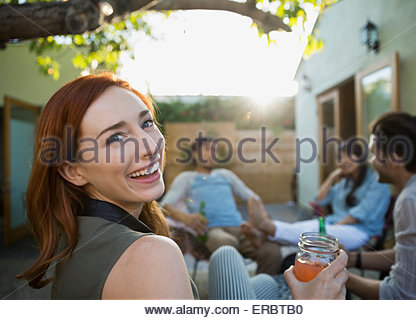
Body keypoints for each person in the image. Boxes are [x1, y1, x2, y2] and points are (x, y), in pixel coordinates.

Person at [17, 73, 347, 300]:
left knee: (250, 274)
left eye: (146, 123)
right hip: (214, 234)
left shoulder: (76, 234)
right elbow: (171, 207)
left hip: (235, 233)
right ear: (73, 170)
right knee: (234, 260)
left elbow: (251, 198)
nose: (149, 146)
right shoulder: (152, 255)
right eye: (116, 137)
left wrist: (259, 221)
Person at [345, 112, 416, 300]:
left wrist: (336, 275)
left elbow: (404, 298)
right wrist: (351, 259)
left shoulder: (415, 201)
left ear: (395, 157)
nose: (370, 162)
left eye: (373, 154)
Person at [161, 137, 282, 275]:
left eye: (214, 150)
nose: (212, 154)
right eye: (207, 149)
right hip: (210, 231)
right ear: (195, 154)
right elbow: (165, 205)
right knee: (226, 243)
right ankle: (234, 291)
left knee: (272, 251)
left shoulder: (226, 175)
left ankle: (261, 291)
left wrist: (262, 221)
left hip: (240, 228)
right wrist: (187, 218)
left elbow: (253, 198)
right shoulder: (186, 178)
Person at [241, 141, 391, 251]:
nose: (344, 161)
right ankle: (263, 234)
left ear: (361, 158)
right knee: (301, 227)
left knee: (313, 233)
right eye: (340, 157)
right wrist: (332, 177)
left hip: (360, 232)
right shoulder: (346, 183)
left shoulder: (377, 182)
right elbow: (318, 200)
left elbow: (359, 214)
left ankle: (267, 227)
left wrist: (332, 228)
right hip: (336, 224)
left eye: (349, 156)